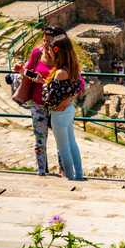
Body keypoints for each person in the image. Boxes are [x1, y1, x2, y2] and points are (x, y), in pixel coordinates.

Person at [13, 25, 74, 176]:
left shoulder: (64, 58)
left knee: (61, 140)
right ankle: (41, 172)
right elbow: (29, 72)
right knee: (40, 140)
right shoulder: (37, 53)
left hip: (57, 106)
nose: (45, 44)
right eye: (44, 40)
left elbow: (78, 82)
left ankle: (64, 171)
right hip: (38, 103)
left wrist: (69, 98)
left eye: (49, 41)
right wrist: (21, 70)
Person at [39, 34, 85, 180]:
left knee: (63, 149)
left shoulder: (59, 73)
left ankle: (71, 179)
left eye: (51, 50)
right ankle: (79, 174)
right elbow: (77, 86)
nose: (48, 54)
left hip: (59, 113)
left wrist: (46, 86)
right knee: (72, 144)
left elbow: (49, 98)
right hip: (69, 109)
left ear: (58, 51)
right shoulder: (72, 69)